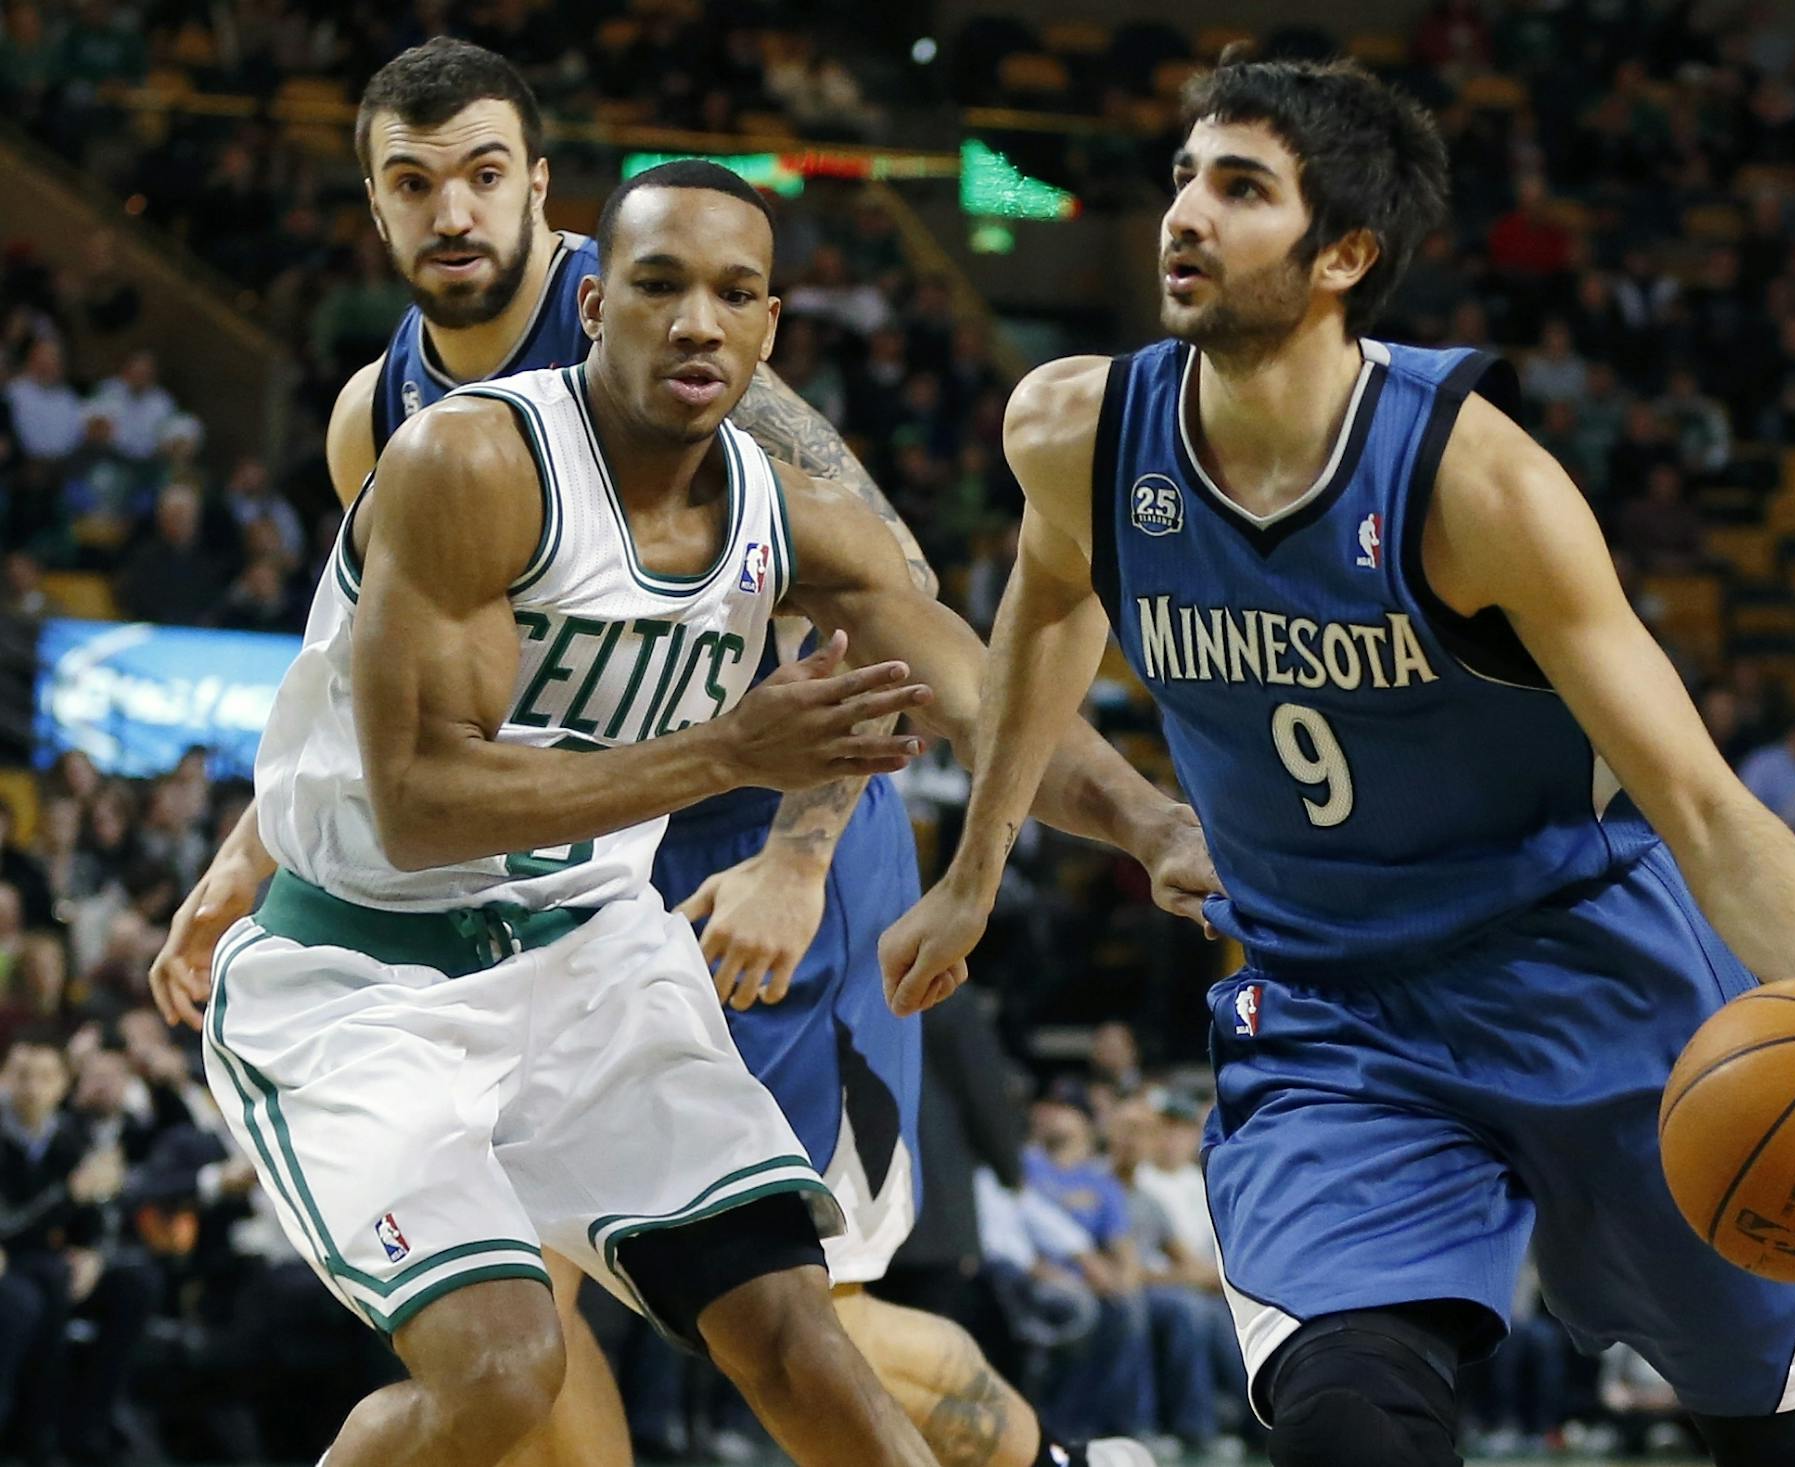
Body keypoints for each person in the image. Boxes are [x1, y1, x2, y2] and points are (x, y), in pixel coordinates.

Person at [881, 54, 1795, 1467]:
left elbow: (1707, 811)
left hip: (1586, 976)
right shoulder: (1077, 432)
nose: (1186, 213)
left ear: (1346, 253)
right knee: (1351, 1425)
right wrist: (976, 874)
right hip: (1329, 1007)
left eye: (1241, 189)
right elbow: (1052, 607)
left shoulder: (1481, 489)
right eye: (1185, 175)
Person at [149, 39, 1172, 1467]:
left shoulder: (720, 397)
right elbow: (365, 705)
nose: (455, 213)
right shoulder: (398, 425)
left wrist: (816, 853)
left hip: (735, 853)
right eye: (414, 181)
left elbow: (898, 646)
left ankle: (1040, 1459)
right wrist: (245, 854)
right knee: (517, 1340)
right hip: (504, 878)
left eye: (486, 176)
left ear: (547, 200)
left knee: (813, 1327)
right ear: (375, 207)